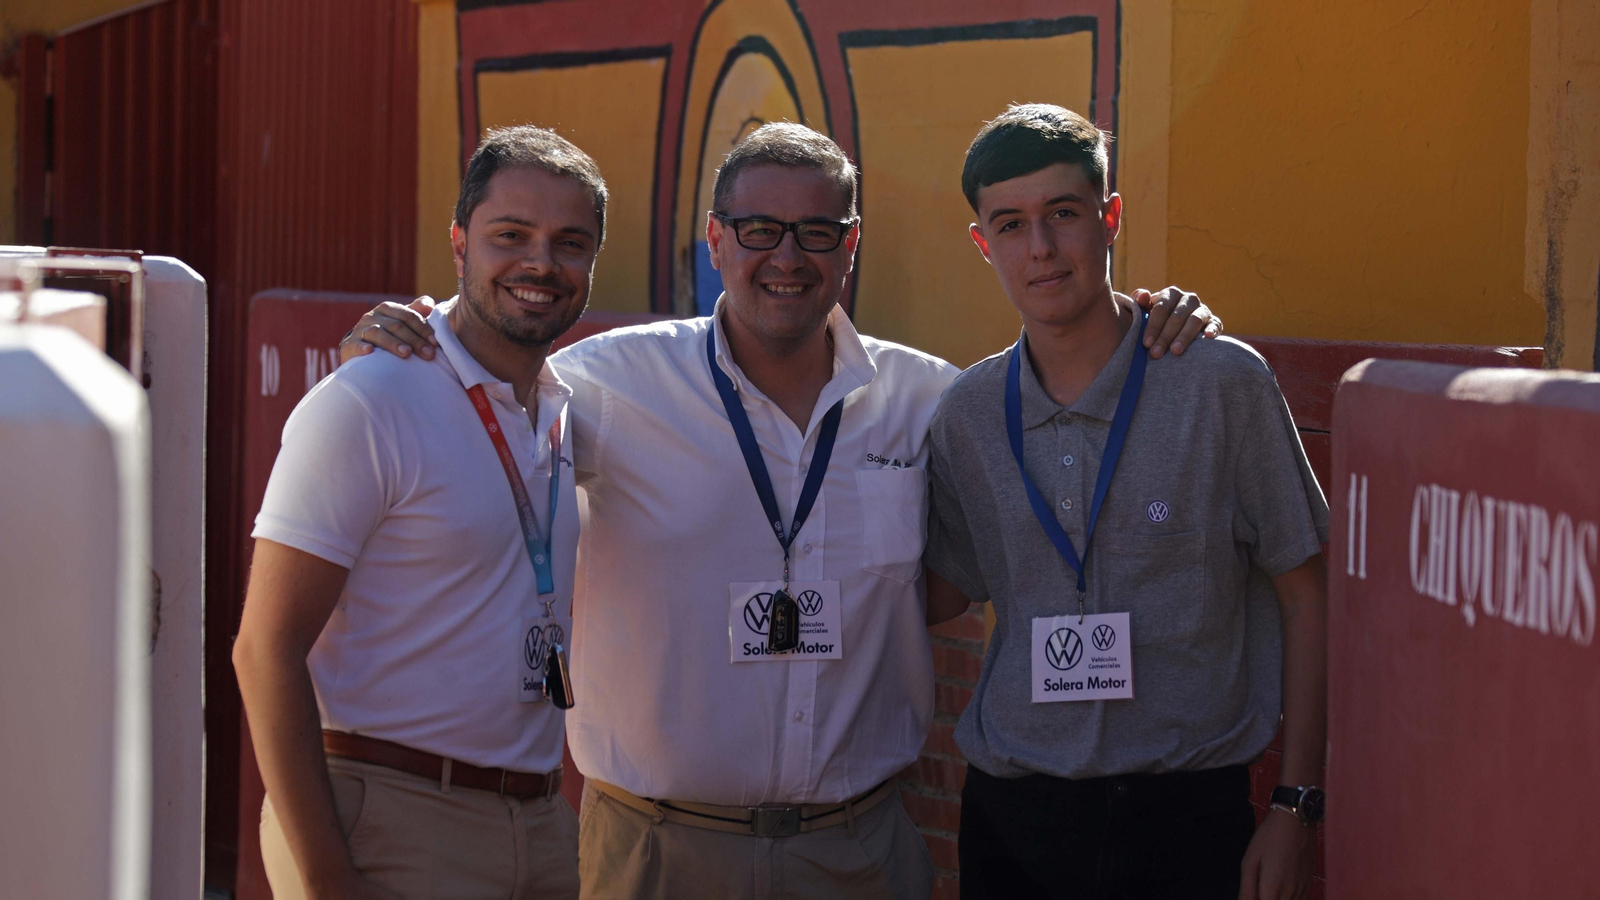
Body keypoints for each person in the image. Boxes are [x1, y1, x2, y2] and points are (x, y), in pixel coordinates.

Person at [340, 122, 1220, 900]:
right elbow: (477, 390)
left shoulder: (929, 400)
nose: (787, 258)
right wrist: (400, 339)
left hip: (859, 853)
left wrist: (1157, 316)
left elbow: (955, 574)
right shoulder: (604, 383)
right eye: (759, 230)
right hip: (653, 855)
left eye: (817, 232)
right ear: (716, 240)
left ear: (852, 245)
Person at [921, 103, 1328, 900]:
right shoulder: (967, 412)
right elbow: (940, 586)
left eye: (1063, 214)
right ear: (983, 244)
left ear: (1110, 218)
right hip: (1012, 817)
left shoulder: (1220, 385)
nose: (1040, 248)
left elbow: (1305, 592)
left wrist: (1296, 803)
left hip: (1187, 818)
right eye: (1010, 224)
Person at [233, 126, 601, 900]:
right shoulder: (371, 399)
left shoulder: (569, 412)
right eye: (512, 235)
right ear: (460, 243)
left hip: (539, 823)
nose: (541, 262)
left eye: (570, 242)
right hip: (389, 819)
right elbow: (263, 650)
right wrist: (329, 877)